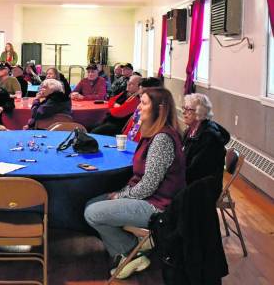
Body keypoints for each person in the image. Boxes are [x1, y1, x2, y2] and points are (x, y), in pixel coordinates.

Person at [84, 88, 185, 280]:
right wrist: (121, 194)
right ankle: (132, 248)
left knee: (92, 212)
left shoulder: (162, 139)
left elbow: (148, 186)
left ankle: (130, 251)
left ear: (159, 110)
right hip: (150, 198)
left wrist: (120, 196)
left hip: (158, 206)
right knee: (90, 204)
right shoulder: (154, 134)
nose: (138, 107)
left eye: (144, 103)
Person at [182, 93, 229, 196]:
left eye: (188, 109)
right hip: (191, 181)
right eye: (184, 108)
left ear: (200, 112)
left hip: (204, 188)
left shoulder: (209, 138)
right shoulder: (189, 131)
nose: (183, 112)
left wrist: (174, 176)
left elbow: (196, 170)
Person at [122, 77, 163, 142]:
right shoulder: (140, 108)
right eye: (141, 95)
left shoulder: (158, 117)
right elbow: (130, 128)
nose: (139, 106)